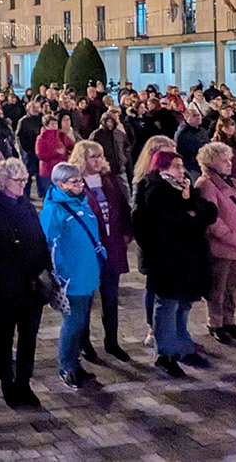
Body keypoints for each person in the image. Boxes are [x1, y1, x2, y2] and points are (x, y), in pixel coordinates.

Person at [0, 157, 50, 407]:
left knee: (29, 338)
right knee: (5, 339)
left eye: (24, 180)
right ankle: (7, 383)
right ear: (3, 182)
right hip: (6, 290)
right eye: (17, 180)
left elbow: (40, 242)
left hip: (31, 288)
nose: (22, 185)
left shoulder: (28, 208)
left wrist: (45, 271)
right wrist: (2, 279)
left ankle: (24, 382)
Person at [136, 151, 218, 376]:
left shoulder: (184, 188)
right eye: (176, 166)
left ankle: (181, 345)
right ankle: (165, 353)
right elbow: (168, 225)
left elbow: (210, 212)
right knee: (167, 306)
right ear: (162, 168)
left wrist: (190, 207)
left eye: (182, 166)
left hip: (189, 260)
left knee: (184, 305)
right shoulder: (154, 191)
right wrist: (189, 216)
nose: (181, 171)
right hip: (167, 261)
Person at [68, 139, 134, 363]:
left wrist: (126, 233)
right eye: (92, 157)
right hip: (88, 250)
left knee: (111, 298)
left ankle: (112, 341)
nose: (97, 161)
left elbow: (122, 207)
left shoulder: (109, 180)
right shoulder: (75, 183)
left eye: (99, 156)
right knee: (86, 299)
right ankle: (84, 342)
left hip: (112, 245)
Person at [40, 161, 103, 389]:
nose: (80, 185)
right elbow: (49, 247)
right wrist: (62, 275)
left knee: (82, 323)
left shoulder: (82, 204)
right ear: (60, 184)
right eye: (74, 182)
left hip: (87, 274)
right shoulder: (53, 211)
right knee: (73, 323)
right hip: (71, 280)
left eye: (80, 180)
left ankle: (74, 363)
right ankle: (66, 366)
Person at [194, 142, 236, 345]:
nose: (229, 164)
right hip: (221, 246)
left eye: (229, 159)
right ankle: (216, 323)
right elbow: (211, 218)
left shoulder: (230, 182)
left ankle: (230, 321)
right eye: (224, 160)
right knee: (217, 289)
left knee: (233, 287)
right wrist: (229, 236)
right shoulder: (206, 184)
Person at [35, 115, 70, 198]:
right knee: (50, 195)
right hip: (48, 171)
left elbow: (71, 145)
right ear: (46, 126)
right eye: (52, 124)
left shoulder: (61, 135)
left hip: (61, 170)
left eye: (56, 124)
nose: (55, 126)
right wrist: (56, 153)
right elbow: (40, 154)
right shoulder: (41, 138)